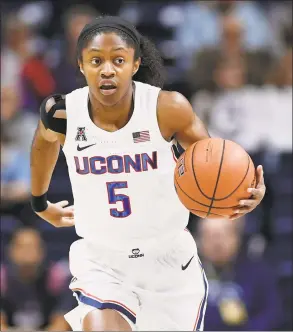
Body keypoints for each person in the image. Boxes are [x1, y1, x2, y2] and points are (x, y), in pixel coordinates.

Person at [30, 16, 266, 331]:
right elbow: (44, 143)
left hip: (168, 263)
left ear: (135, 63)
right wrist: (39, 201)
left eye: (118, 59)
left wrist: (244, 193)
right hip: (103, 261)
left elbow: (214, 166)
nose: (108, 69)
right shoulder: (61, 114)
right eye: (96, 60)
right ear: (81, 64)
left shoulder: (167, 109)